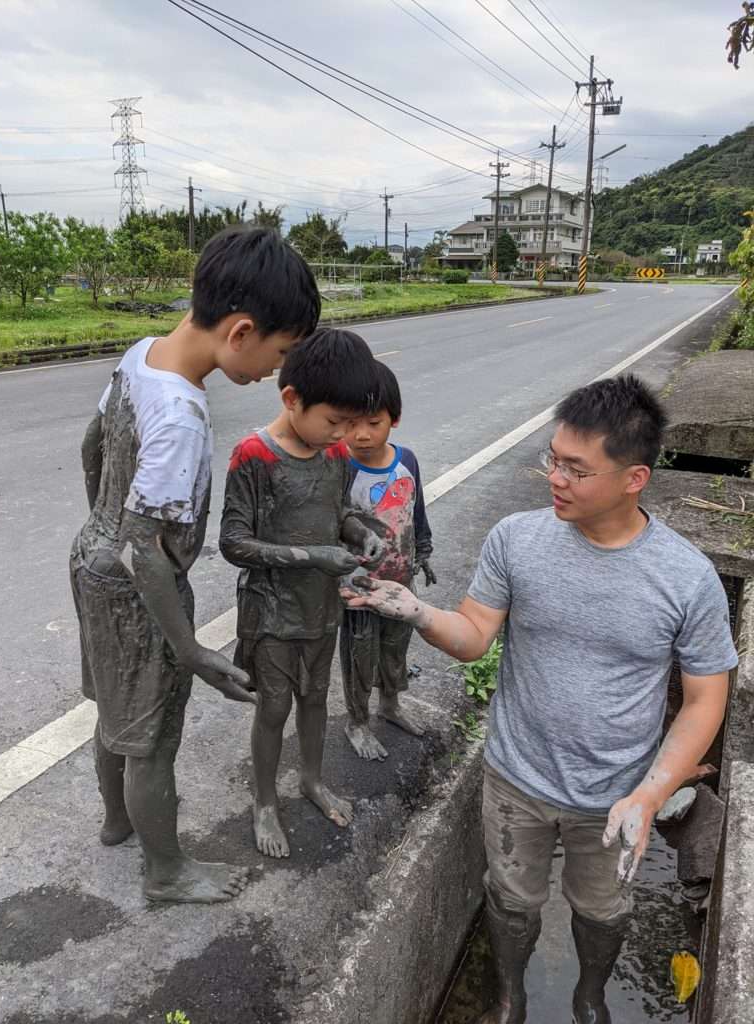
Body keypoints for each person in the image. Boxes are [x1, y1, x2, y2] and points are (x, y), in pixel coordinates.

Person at [342, 374, 738, 1024]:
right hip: (516, 780)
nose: (554, 477)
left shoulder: (685, 579)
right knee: (512, 899)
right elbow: (473, 637)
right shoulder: (516, 540)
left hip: (616, 795)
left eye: (576, 470)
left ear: (633, 478)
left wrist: (650, 792)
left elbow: (703, 700)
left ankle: (588, 996)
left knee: (603, 909)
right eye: (553, 459)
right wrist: (414, 610)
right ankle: (510, 995)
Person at [70, 225, 321, 903]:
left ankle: (118, 822)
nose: (278, 372)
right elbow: (144, 553)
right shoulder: (181, 414)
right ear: (241, 332)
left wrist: (101, 516)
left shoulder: (143, 353)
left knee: (114, 707)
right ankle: (166, 871)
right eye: (281, 353)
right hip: (136, 587)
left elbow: (94, 443)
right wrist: (192, 651)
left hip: (91, 559)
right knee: (151, 738)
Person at [219, 328, 384, 860]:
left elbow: (336, 514)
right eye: (335, 421)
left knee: (316, 699)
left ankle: (311, 779)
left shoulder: (334, 453)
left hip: (321, 606)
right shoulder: (254, 456)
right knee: (273, 707)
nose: (344, 433)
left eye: (352, 423)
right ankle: (264, 801)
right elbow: (234, 543)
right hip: (271, 612)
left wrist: (361, 533)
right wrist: (315, 556)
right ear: (291, 399)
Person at [340, 360, 436, 761]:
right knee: (361, 657)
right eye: (350, 423)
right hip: (359, 588)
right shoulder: (340, 467)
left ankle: (391, 704)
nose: (361, 434)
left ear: (393, 420)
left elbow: (416, 512)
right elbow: (331, 523)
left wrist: (425, 553)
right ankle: (356, 720)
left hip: (402, 582)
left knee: (396, 649)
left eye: (373, 423)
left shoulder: (407, 460)